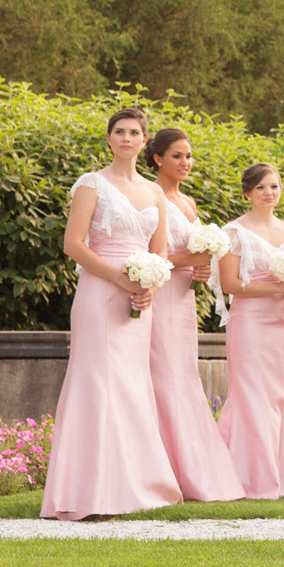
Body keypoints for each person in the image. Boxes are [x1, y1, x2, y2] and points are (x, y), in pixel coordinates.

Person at [41, 107, 184, 520]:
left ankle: (134, 485)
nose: (126, 137)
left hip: (140, 296)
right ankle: (89, 491)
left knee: (131, 384)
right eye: (119, 131)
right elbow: (74, 244)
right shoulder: (92, 184)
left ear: (144, 142)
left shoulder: (154, 192)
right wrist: (121, 280)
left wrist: (150, 285)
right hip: (100, 293)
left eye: (134, 132)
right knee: (98, 381)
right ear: (109, 139)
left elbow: (159, 249)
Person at [146, 127, 244, 503]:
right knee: (164, 376)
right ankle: (167, 468)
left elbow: (192, 259)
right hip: (160, 295)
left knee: (183, 375)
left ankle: (194, 466)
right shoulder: (151, 196)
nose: (185, 163)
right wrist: (191, 260)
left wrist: (201, 270)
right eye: (177, 156)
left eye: (188, 156)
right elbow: (149, 254)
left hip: (184, 299)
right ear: (157, 158)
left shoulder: (188, 204)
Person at [216, 163, 284, 498]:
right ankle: (245, 476)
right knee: (249, 393)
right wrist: (276, 288)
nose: (268, 193)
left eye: (273, 186)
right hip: (248, 321)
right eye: (261, 187)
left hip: (281, 323)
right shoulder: (233, 232)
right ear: (247, 193)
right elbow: (230, 283)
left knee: (278, 394)